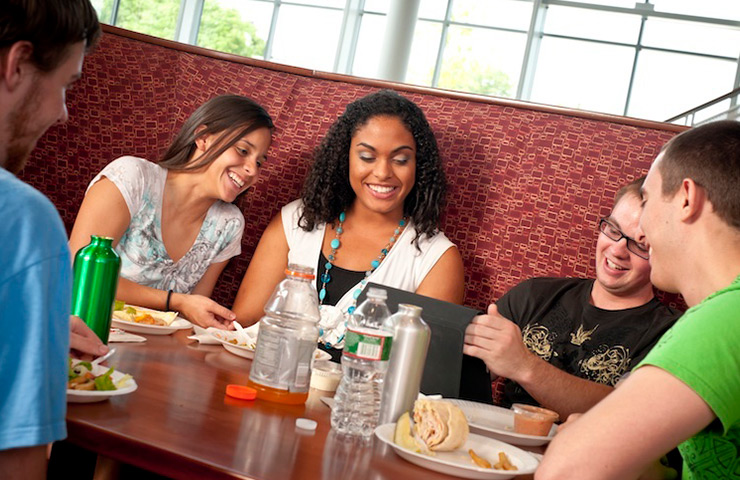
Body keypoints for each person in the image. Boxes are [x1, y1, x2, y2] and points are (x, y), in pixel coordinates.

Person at [536, 120, 740, 480]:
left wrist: (583, 442)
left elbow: (565, 471)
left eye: (646, 199)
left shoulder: (724, 319)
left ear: (686, 199)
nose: (640, 230)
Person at [233, 89, 465, 358]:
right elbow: (243, 326)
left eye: (401, 160)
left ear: (419, 166)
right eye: (367, 157)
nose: (382, 172)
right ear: (345, 158)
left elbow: (418, 374)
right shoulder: (296, 220)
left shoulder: (437, 259)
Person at [464, 177, 681, 419]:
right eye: (613, 230)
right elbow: (461, 374)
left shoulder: (670, 334)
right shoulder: (535, 294)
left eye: (641, 245)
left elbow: (625, 415)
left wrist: (523, 365)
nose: (617, 250)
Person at [0, 0, 105, 477]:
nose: (64, 114)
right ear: (17, 64)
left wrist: (28, 324)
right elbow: (17, 461)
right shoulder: (24, 221)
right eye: (65, 85)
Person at [69, 95, 274, 329]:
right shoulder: (132, 178)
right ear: (203, 138)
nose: (251, 170)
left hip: (159, 353)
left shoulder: (228, 224)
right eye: (243, 150)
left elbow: (192, 314)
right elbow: (78, 272)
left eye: (259, 162)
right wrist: (175, 301)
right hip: (85, 333)